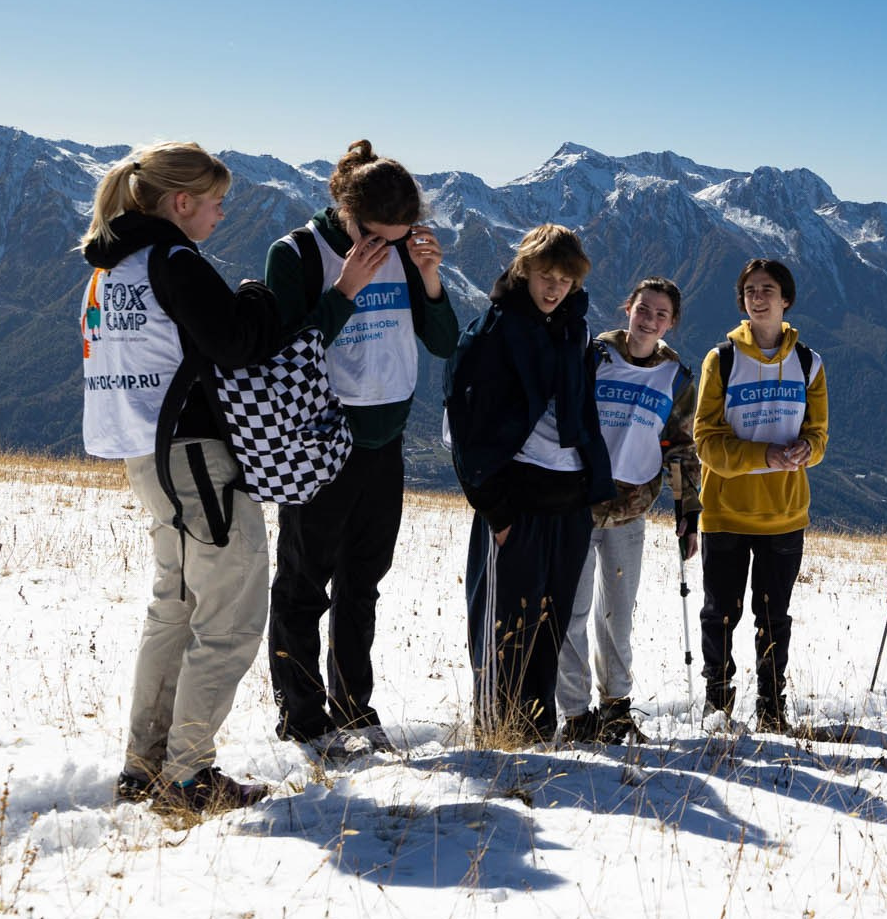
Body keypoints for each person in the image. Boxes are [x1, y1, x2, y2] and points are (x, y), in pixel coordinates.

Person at [80, 142, 286, 814]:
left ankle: (144, 765)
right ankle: (189, 775)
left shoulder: (110, 268)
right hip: (199, 459)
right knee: (229, 613)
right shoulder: (175, 261)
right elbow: (234, 341)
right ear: (181, 202)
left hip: (145, 456)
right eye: (217, 201)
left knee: (173, 607)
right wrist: (259, 299)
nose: (222, 215)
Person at [262, 140, 460, 749]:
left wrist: (427, 278)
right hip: (321, 437)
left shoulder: (404, 251)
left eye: (400, 235)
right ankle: (302, 718)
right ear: (346, 213)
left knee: (362, 582)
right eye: (374, 233)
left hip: (384, 439)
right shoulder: (297, 253)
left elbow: (444, 342)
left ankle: (353, 707)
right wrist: (344, 289)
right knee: (302, 582)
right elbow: (281, 352)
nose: (387, 245)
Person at [445, 225, 614, 744]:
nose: (554, 287)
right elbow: (465, 424)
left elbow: (582, 410)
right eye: (546, 276)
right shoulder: (493, 331)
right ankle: (499, 738)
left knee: (549, 624)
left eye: (565, 279)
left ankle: (536, 735)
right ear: (525, 270)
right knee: (505, 627)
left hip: (569, 503)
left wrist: (592, 490)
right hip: (516, 501)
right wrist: (495, 509)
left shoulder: (575, 331)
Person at [557, 277, 702, 744]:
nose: (650, 320)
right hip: (576, 504)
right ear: (628, 308)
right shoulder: (594, 356)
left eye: (661, 315)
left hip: (631, 509)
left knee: (617, 616)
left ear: (672, 323)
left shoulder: (676, 376)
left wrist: (688, 509)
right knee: (573, 614)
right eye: (644, 309)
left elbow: (681, 445)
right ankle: (576, 713)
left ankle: (616, 708)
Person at [694, 258, 828, 733]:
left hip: (785, 513)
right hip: (726, 511)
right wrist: (764, 456)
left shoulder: (809, 362)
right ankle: (718, 709)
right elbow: (705, 440)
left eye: (767, 289)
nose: (758, 297)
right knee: (720, 615)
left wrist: (805, 450)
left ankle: (773, 710)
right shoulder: (722, 359)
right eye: (750, 290)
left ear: (786, 299)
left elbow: (819, 435)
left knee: (774, 618)